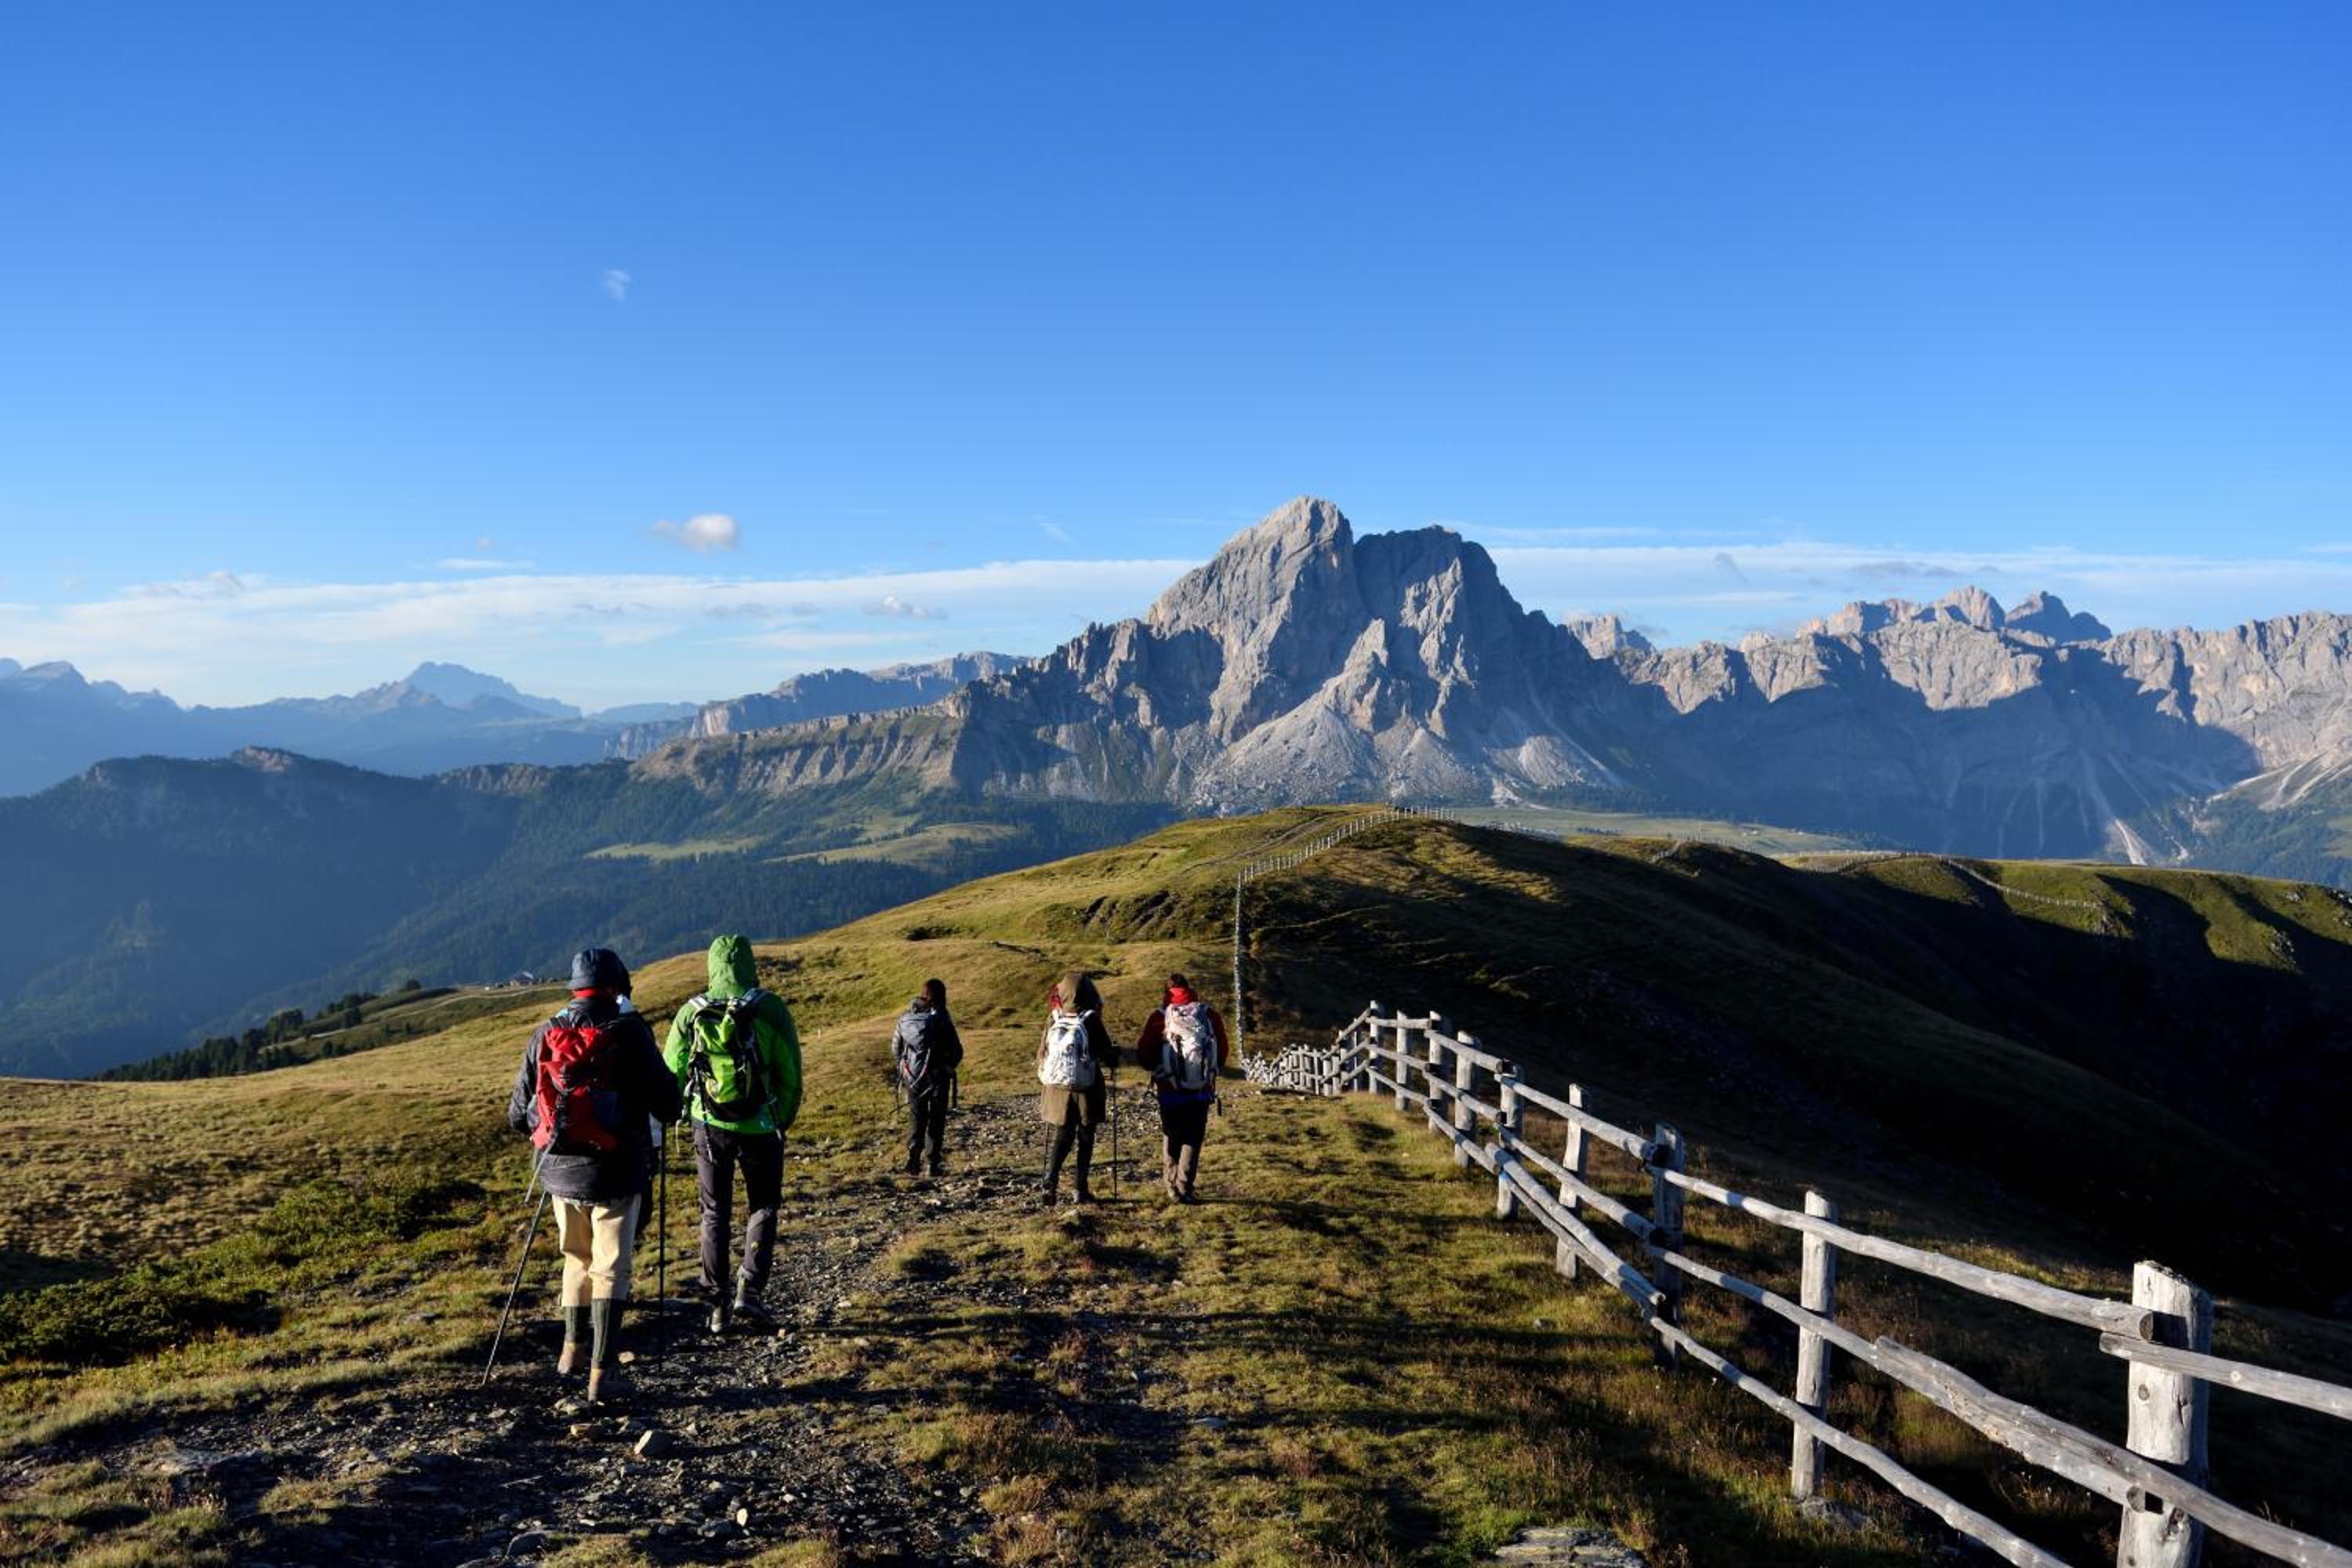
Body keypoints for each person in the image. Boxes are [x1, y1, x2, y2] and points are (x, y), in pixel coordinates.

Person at [506, 946, 680, 1404]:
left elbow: (516, 1114)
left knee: (576, 1258)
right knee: (611, 1268)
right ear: (616, 986)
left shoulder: (546, 1032)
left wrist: (558, 1132)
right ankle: (603, 1374)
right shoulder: (630, 1032)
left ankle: (571, 1353)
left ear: (575, 988)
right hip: (617, 1170)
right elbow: (669, 1105)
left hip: (560, 1174)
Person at [665, 934, 804, 1336]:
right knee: (763, 1205)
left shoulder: (691, 1013)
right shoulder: (771, 1008)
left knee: (714, 1211)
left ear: (712, 965)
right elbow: (790, 1073)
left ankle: (717, 1305)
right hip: (761, 1125)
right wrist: (781, 1120)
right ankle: (750, 1290)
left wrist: (677, 1111)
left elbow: (671, 1071)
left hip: (709, 1126)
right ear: (749, 963)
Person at [1134, 972, 1229, 1203]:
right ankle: (1185, 1186)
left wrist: (1159, 1066)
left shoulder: (1159, 1017)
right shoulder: (1208, 1015)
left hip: (1169, 1090)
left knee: (1172, 1133)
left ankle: (1171, 1185)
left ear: (1167, 992)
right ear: (1189, 990)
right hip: (1200, 1089)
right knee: (1193, 1136)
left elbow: (1145, 1056)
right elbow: (1222, 1052)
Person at [1036, 970, 1117, 1207]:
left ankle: (1050, 1181)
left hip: (1057, 1090)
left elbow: (1042, 1053)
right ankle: (1080, 1189)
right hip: (1086, 1088)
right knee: (1086, 1136)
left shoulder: (1054, 1018)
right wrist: (1114, 1055)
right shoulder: (1090, 1019)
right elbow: (1106, 1054)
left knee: (1062, 1135)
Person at [893, 978, 964, 1176]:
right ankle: (932, 1164)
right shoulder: (941, 1017)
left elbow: (896, 1047)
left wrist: (905, 1068)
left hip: (913, 1076)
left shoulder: (907, 1017)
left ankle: (913, 1161)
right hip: (939, 1076)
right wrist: (949, 1066)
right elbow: (957, 1050)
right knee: (936, 1119)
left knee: (917, 1117)